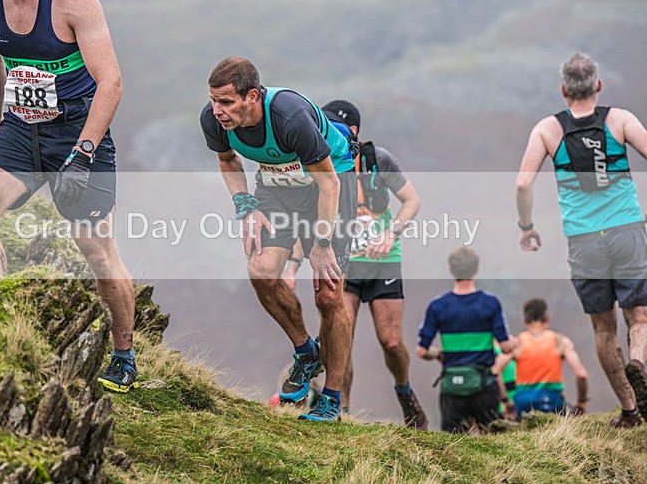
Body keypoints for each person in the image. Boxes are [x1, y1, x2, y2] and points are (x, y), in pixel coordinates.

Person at [0, 0, 138, 392]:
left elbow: (110, 82)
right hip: (20, 129)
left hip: (78, 129)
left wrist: (83, 152)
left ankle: (124, 357)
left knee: (96, 251)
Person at [200, 57, 358, 422]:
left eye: (226, 102)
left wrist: (320, 245)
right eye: (213, 100)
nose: (217, 110)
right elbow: (228, 161)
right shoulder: (214, 121)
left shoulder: (289, 118)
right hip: (277, 187)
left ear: (252, 96)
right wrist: (246, 205)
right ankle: (306, 351)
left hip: (330, 185)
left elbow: (329, 183)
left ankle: (331, 399)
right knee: (261, 271)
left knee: (329, 293)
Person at [515, 53, 647, 427]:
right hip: (626, 231)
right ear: (598, 85)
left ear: (563, 90)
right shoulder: (620, 120)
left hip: (584, 241)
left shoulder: (548, 130)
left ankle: (630, 410)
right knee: (639, 317)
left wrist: (526, 226)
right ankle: (639, 360)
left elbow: (524, 183)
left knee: (603, 328)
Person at [285, 100, 426, 428]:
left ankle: (404, 391)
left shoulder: (378, 159)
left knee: (391, 341)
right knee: (338, 335)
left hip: (383, 264)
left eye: (340, 128)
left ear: (355, 133)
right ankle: (340, 408)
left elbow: (412, 201)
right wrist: (292, 265)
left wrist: (391, 234)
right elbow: (303, 219)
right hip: (343, 263)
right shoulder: (314, 163)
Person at [417, 247, 513, 433]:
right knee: (494, 445)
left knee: (454, 447)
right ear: (476, 269)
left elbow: (421, 351)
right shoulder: (490, 303)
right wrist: (514, 344)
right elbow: (506, 347)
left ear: (450, 270)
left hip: (452, 388)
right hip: (484, 386)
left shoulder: (437, 306)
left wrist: (438, 354)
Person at [493, 298, 589, 419]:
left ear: (524, 321)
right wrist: (581, 402)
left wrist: (506, 401)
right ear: (547, 319)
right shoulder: (560, 342)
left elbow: (495, 372)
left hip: (522, 403)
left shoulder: (517, 344)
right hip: (551, 401)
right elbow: (581, 374)